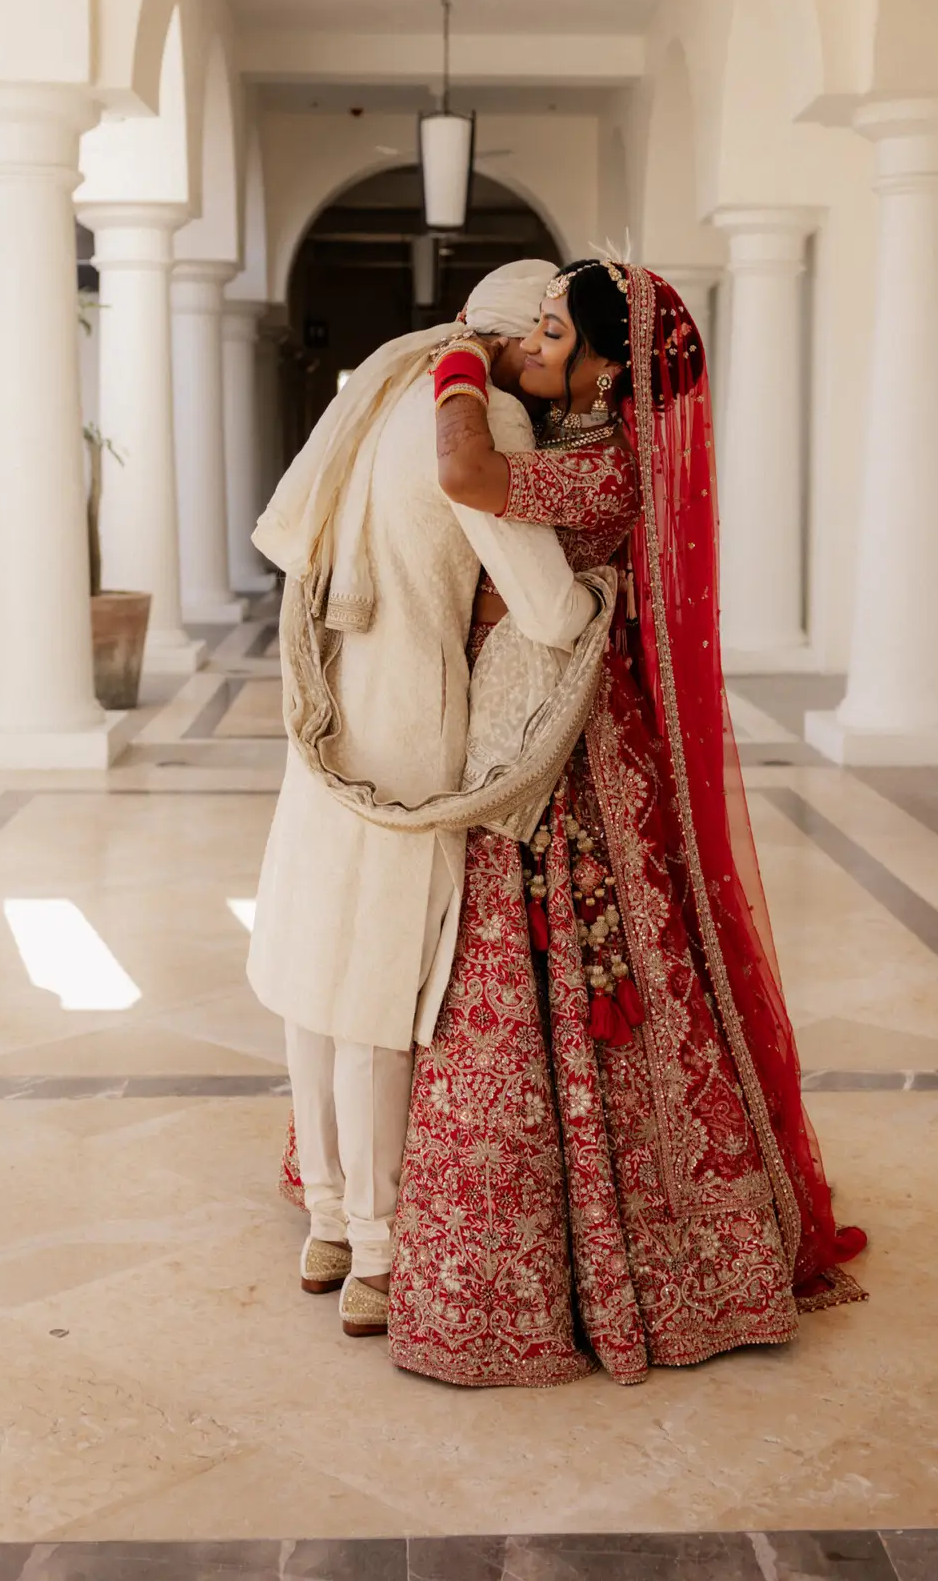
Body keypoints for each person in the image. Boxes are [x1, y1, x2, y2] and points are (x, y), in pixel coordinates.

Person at [381, 258, 868, 1387]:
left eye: (554, 330)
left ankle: (603, 1258)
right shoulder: (585, 447)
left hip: (579, 756)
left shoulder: (603, 464)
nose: (536, 344)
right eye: (535, 326)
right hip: (556, 725)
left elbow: (465, 474)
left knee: (565, 971)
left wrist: (459, 349)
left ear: (607, 366)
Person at [246, 261, 614, 1339]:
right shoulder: (482, 411)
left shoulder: (385, 385)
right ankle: (378, 1248)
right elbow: (547, 609)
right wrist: (603, 591)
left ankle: (324, 1219)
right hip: (410, 716)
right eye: (542, 330)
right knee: (375, 986)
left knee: (316, 970)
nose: (552, 350)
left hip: (328, 699)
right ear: (508, 340)